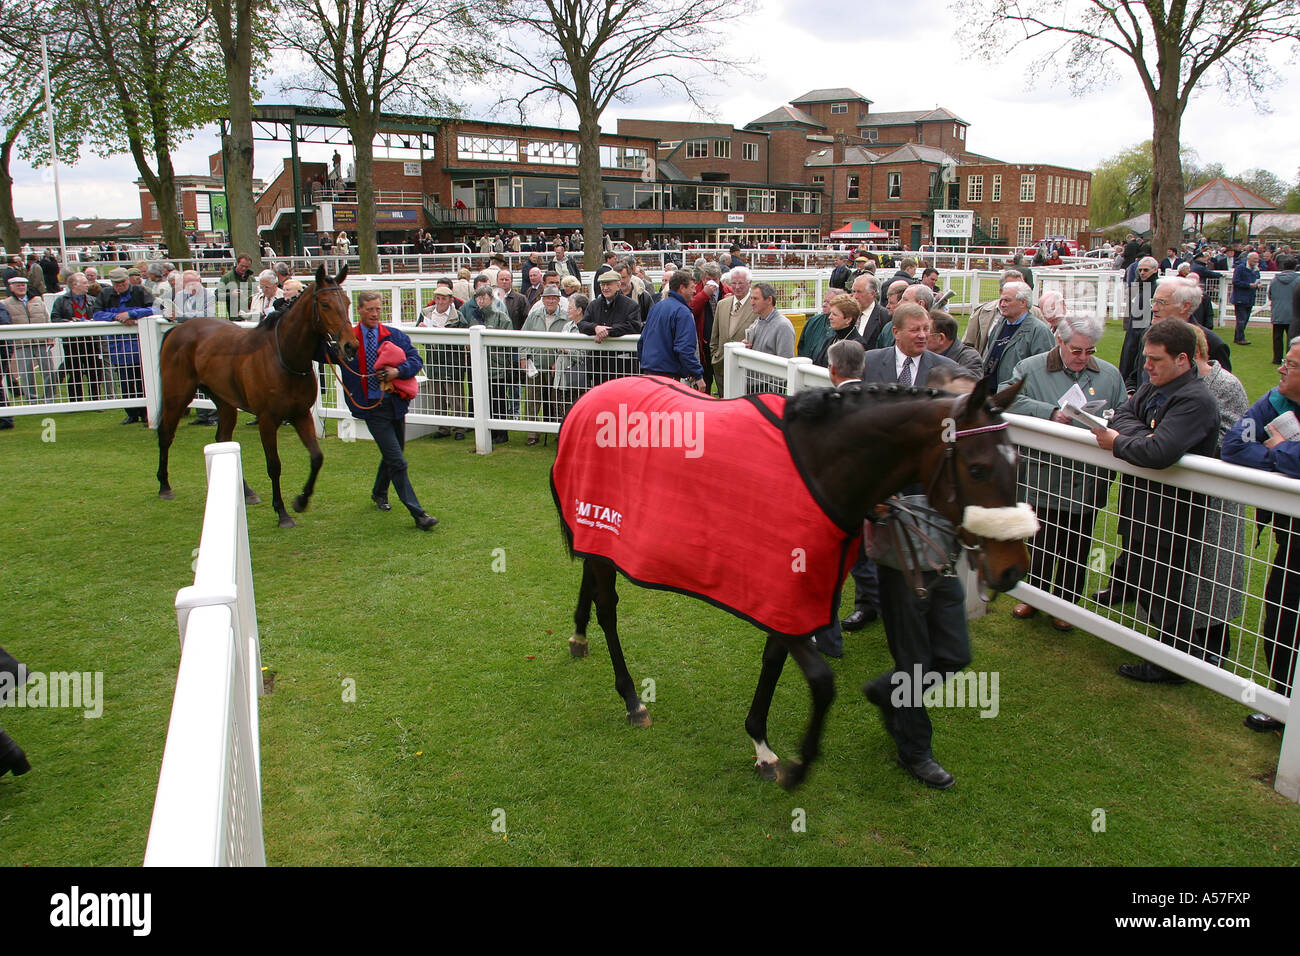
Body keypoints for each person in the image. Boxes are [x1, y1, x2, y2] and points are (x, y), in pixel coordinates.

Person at [859, 333, 969, 790]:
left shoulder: (961, 445)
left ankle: (887, 694)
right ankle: (915, 749)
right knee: (914, 661)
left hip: (942, 560)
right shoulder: (893, 438)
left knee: (954, 654)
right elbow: (860, 485)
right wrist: (876, 501)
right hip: (901, 560)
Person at [1095, 320, 1218, 683]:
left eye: (1155, 359)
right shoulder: (1156, 386)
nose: (1145, 365)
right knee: (1144, 578)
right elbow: (1123, 414)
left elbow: (1159, 450)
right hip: (1142, 506)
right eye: (1146, 358)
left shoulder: (1195, 399)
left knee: (1164, 587)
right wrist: (1139, 434)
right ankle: (1184, 652)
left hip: (1170, 515)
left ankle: (1174, 662)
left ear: (1183, 359)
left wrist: (1119, 442)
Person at [1002, 312, 1126, 630]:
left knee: (1078, 543)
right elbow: (1007, 399)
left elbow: (1126, 413)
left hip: (1087, 479)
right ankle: (1034, 596)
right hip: (1042, 475)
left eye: (1090, 351)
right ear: (1060, 341)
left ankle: (1067, 603)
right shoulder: (1030, 368)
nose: (1083, 358)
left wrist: (1110, 420)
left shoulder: (1110, 375)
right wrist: (1050, 413)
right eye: (1077, 350)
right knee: (1040, 541)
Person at [1222, 336, 1300, 732]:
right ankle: (1281, 699)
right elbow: (1234, 447)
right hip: (1291, 536)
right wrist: (1286, 454)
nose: (1281, 369)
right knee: (1281, 610)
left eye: (1292, 364)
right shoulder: (1274, 400)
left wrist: (1279, 453)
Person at [335, 290, 437, 531]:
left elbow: (416, 360)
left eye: (378, 309)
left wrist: (397, 372)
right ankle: (419, 514)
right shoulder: (350, 339)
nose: (374, 313)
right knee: (397, 459)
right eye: (369, 309)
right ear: (359, 310)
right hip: (370, 406)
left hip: (394, 402)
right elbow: (328, 355)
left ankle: (379, 492)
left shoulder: (393, 335)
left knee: (394, 451)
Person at [1184, 323, 1249, 667]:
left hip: (1216, 498)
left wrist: (1175, 441)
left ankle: (1214, 648)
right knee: (1184, 569)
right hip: (1180, 494)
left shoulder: (1226, 386)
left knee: (1214, 571)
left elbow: (1232, 441)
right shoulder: (1170, 382)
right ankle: (1180, 642)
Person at [978, 280, 1054, 392]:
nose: (1002, 304)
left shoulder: (1038, 331)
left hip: (1014, 396)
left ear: (1023, 302)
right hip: (990, 392)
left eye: (1007, 300)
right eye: (1001, 300)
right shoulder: (1000, 324)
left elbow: (1044, 369)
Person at [520, 285, 573, 444]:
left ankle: (559, 432)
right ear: (542, 300)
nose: (550, 301)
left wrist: (559, 362)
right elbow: (523, 337)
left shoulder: (566, 317)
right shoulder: (534, 316)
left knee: (557, 401)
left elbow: (569, 341)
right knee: (532, 399)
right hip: (535, 364)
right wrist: (523, 357)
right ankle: (532, 434)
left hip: (555, 367)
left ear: (558, 300)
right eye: (547, 298)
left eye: (553, 298)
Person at [417, 283, 468, 440]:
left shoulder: (457, 316)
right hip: (434, 359)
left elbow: (464, 337)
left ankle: (460, 428)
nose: (440, 302)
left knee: (456, 396)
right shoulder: (426, 313)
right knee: (437, 395)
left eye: (443, 299)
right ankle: (443, 427)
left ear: (450, 300)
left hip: (452, 361)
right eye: (437, 298)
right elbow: (417, 333)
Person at [637, 270, 706, 388]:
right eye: (691, 287)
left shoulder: (657, 306)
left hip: (649, 372)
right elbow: (684, 348)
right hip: (668, 375)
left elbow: (642, 342)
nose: (694, 291)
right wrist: (698, 375)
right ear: (682, 288)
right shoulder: (682, 312)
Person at [49, 272, 104, 403]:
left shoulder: (92, 300)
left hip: (91, 341)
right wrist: (69, 323)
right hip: (72, 342)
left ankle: (95, 401)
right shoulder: (61, 301)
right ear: (74, 285)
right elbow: (55, 318)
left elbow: (98, 315)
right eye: (84, 283)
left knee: (94, 372)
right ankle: (75, 401)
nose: (88, 285)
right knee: (74, 373)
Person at [2, 275, 54, 404]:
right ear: (11, 287)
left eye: (23, 284)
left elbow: (47, 317)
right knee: (26, 373)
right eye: (18, 285)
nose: (21, 287)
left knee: (48, 371)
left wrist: (50, 336)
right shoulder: (6, 303)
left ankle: (50, 398)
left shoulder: (37, 300)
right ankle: (32, 399)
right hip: (21, 343)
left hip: (41, 341)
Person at [709, 265, 753, 390]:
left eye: (741, 283)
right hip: (721, 366)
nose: (737, 287)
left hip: (745, 370)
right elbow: (715, 337)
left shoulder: (756, 306)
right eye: (734, 283)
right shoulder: (722, 304)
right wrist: (716, 356)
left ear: (749, 283)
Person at [810, 295, 864, 368]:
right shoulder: (830, 340)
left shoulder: (857, 345)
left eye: (834, 314)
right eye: (830, 313)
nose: (830, 317)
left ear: (848, 319)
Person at [742, 283, 794, 359]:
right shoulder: (756, 323)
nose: (752, 303)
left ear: (769, 300)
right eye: (751, 298)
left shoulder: (783, 326)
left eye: (756, 299)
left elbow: (786, 361)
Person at [927, 311, 982, 375]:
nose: (920, 335)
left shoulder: (969, 360)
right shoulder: (917, 354)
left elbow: (969, 383)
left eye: (925, 331)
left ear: (941, 338)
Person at [1269, 255, 1298, 364]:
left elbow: (1270, 295)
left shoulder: (1275, 280)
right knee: (1292, 338)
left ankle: (1276, 359)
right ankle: (1290, 359)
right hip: (1294, 313)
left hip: (1278, 312)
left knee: (1277, 337)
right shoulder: (1298, 280)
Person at [1231, 250, 1261, 345]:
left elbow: (1257, 280)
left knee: (1245, 319)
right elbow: (1235, 281)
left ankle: (1238, 338)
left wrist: (1257, 285)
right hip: (1240, 297)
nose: (1256, 261)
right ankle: (1240, 338)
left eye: (1257, 259)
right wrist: (1248, 285)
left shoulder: (1256, 270)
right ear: (1249, 259)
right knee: (1241, 319)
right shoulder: (1240, 268)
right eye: (1254, 259)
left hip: (1250, 298)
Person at [219, 254, 257, 319]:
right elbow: (218, 295)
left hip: (250, 317)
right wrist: (231, 294)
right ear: (237, 263)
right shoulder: (226, 278)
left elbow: (256, 296)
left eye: (247, 267)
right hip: (235, 318)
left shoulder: (252, 279)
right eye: (242, 266)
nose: (244, 268)